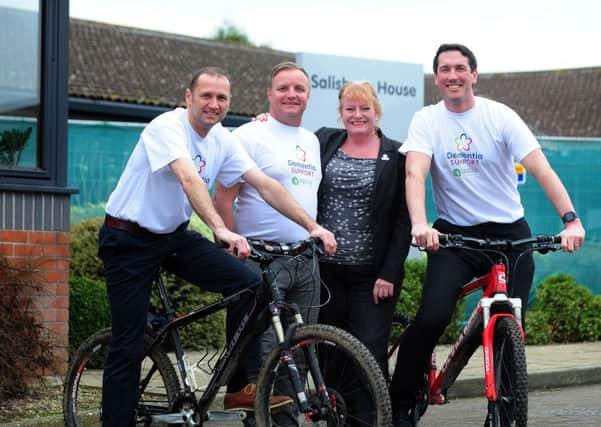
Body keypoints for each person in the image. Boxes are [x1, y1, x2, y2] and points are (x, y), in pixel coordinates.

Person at [98, 66, 336, 427]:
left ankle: (238, 386)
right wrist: (221, 228)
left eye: (221, 98)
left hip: (172, 236)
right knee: (128, 344)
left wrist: (313, 226)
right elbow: (187, 177)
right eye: (206, 96)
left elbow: (264, 183)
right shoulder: (167, 127)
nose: (214, 104)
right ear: (189, 97)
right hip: (128, 239)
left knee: (251, 286)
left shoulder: (222, 139)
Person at [389, 43, 586, 426]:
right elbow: (415, 173)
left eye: (460, 68)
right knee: (431, 319)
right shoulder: (427, 120)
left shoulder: (500, 117)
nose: (452, 75)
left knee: (511, 327)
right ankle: (401, 402)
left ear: (474, 74)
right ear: (437, 78)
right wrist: (419, 223)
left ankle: (507, 411)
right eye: (444, 69)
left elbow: (541, 169)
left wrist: (571, 220)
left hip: (509, 234)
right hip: (455, 237)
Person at [214, 61, 322, 425]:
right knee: (262, 361)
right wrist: (231, 246)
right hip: (260, 258)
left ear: (308, 96)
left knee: (301, 353)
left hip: (305, 260)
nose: (292, 94)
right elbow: (224, 195)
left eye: (299, 89)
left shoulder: (311, 141)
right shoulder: (248, 135)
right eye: (283, 88)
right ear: (269, 93)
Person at [315, 81, 412, 380]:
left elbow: (403, 219)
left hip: (372, 276)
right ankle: (336, 414)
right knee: (329, 348)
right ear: (341, 113)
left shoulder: (397, 154)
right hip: (325, 271)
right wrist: (263, 121)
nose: (358, 115)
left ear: (377, 113)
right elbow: (285, 142)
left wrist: (390, 272)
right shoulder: (322, 141)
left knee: (369, 348)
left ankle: (375, 416)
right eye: (350, 109)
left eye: (365, 108)